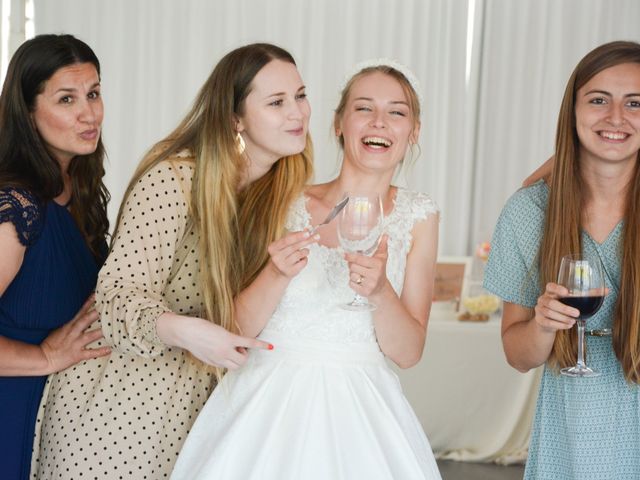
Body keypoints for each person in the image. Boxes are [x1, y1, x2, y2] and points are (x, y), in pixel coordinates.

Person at [32, 43, 314, 479]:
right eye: (276, 102)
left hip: (200, 412)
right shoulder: (176, 179)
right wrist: (185, 330)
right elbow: (118, 298)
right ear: (235, 118)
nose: (297, 113)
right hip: (119, 408)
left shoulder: (282, 195)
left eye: (300, 95)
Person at [171, 61, 442, 480]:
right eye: (364, 108)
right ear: (338, 123)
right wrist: (276, 274)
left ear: (414, 131)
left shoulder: (419, 216)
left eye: (397, 112)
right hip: (264, 406)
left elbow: (408, 353)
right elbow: (233, 329)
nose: (380, 122)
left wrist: (380, 293)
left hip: (361, 415)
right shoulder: (282, 198)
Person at [484, 40, 640, 479]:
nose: (615, 117)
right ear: (571, 111)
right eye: (598, 100)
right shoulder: (528, 213)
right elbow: (518, 355)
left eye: (635, 103)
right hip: (571, 435)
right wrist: (544, 324)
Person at [0, 34, 112, 480]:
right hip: (11, 415)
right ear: (28, 113)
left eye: (94, 93)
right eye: (67, 99)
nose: (89, 113)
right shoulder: (16, 206)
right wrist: (45, 358)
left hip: (64, 423)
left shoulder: (80, 193)